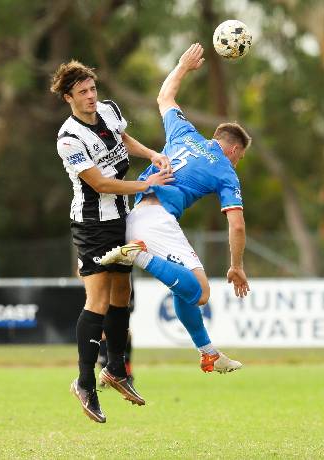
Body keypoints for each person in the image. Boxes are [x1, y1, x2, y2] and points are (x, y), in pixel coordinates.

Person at [101, 43, 251, 373]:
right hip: (155, 222)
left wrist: (182, 66)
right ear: (233, 149)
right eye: (240, 157)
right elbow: (237, 225)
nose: (238, 163)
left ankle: (208, 352)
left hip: (136, 210)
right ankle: (136, 254)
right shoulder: (224, 170)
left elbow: (165, 97)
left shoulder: (184, 133)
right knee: (199, 291)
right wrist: (236, 265)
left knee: (185, 289)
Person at [50, 60, 172, 423]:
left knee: (124, 294)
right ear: (68, 97)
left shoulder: (108, 110)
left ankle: (116, 368)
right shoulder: (69, 138)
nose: (91, 97)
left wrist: (151, 154)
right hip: (92, 225)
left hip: (122, 218)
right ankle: (85, 382)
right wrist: (146, 185)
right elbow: (99, 184)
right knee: (98, 300)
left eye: (93, 89)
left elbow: (121, 140)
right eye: (83, 92)